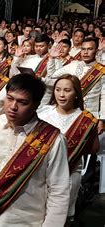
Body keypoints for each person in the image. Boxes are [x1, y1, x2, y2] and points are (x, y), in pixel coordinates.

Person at [0, 73, 70, 226]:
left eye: (22, 102)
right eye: (10, 99)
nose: (13, 107)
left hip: (24, 222)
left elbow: (59, 191)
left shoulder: (51, 140)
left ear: (36, 104)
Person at [38, 75, 100, 224]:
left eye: (67, 90)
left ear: (76, 93)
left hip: (69, 174)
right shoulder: (44, 112)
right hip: (40, 173)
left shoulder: (85, 119)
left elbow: (94, 148)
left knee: (60, 218)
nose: (61, 94)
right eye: (58, 90)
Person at [50, 37, 105, 133]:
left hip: (91, 117)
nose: (85, 52)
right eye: (83, 49)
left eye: (90, 49)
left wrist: (102, 120)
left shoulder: (102, 70)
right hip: (70, 114)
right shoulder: (74, 64)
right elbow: (52, 75)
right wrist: (52, 58)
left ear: (96, 51)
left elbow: (104, 97)